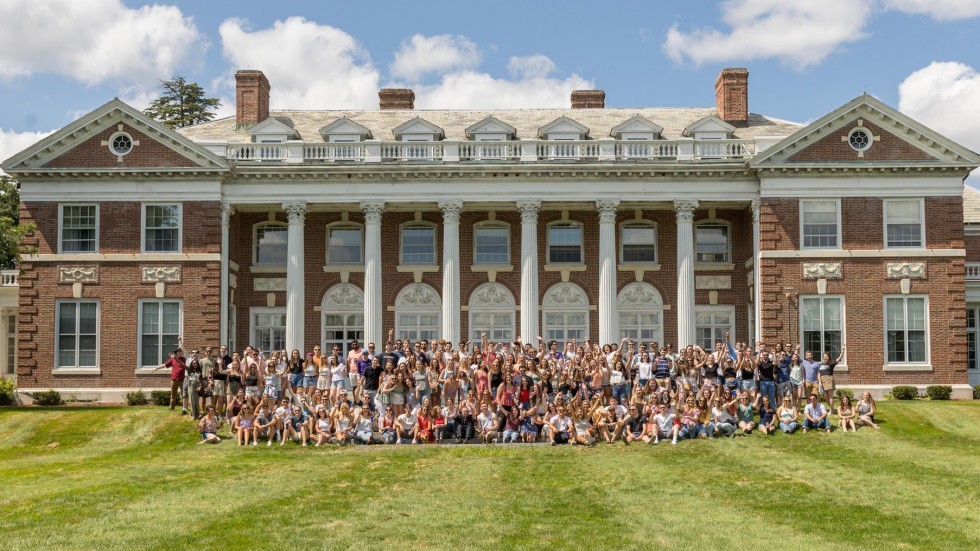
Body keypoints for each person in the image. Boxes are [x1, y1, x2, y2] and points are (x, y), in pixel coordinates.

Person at [153, 346, 187, 414]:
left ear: (182, 353)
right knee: (173, 395)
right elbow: (164, 365)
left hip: (183, 379)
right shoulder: (173, 359)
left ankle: (184, 408)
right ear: (176, 353)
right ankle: (171, 407)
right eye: (178, 352)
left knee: (184, 394)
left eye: (180, 352)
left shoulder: (184, 359)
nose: (179, 353)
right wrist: (156, 368)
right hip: (174, 380)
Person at [819, 346, 845, 413]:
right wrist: (819, 382)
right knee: (824, 396)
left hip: (829, 379)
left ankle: (831, 410)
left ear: (829, 357)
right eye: (824, 356)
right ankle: (832, 408)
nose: (825, 357)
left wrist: (842, 351)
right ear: (823, 357)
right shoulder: (821, 364)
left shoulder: (832, 363)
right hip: (822, 380)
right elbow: (819, 374)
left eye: (826, 356)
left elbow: (839, 359)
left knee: (830, 396)